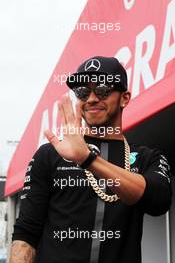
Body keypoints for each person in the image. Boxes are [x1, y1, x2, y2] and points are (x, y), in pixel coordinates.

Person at [10, 56, 172, 263]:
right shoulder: (49, 155)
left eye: (103, 89)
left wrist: (88, 159)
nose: (92, 98)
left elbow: (158, 201)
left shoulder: (147, 158)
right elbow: (26, 233)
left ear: (125, 98)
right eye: (83, 92)